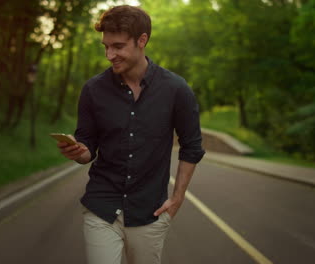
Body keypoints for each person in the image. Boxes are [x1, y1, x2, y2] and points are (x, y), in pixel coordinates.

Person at [57, 5, 205, 264]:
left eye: (118, 46)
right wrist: (79, 152)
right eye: (105, 46)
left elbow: (191, 146)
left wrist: (178, 197)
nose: (109, 54)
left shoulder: (176, 90)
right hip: (101, 206)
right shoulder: (93, 90)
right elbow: (87, 147)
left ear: (142, 41)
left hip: (150, 212)